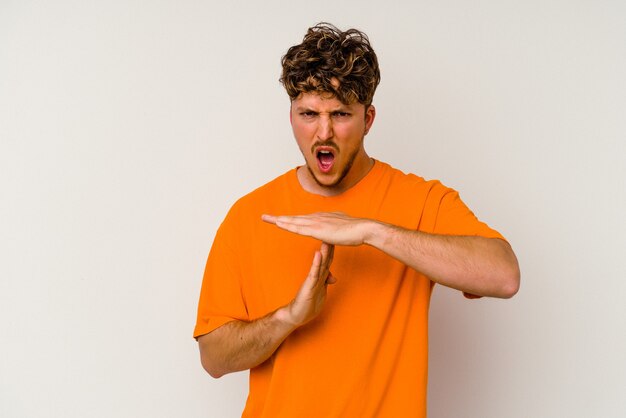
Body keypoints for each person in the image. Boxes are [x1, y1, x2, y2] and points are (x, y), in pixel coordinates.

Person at [194, 23, 520, 418]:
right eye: (309, 114)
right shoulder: (249, 215)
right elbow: (213, 359)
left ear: (368, 119)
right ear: (292, 115)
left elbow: (503, 276)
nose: (324, 132)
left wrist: (371, 231)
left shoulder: (421, 201)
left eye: (341, 114)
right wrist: (290, 316)